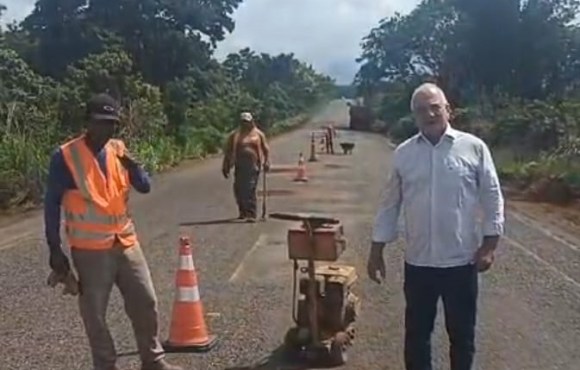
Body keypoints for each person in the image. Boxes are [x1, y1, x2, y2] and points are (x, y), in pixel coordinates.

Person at [367, 83, 505, 370]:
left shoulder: (474, 148)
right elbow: (389, 203)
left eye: (435, 107)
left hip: (461, 263)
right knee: (417, 336)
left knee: (462, 336)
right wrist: (376, 249)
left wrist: (490, 245)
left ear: (448, 110)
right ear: (414, 116)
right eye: (421, 110)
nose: (429, 114)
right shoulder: (404, 154)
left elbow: (492, 195)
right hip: (419, 265)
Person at [44, 93, 182, 370]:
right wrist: (55, 250)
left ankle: (153, 360)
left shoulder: (118, 150)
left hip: (126, 242)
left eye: (112, 124)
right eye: (101, 122)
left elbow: (144, 186)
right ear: (88, 122)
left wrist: (133, 164)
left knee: (146, 302)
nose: (107, 129)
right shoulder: (65, 156)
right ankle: (106, 365)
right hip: (91, 250)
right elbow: (51, 204)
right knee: (95, 315)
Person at [222, 112, 270, 222]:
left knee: (249, 189)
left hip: (253, 166)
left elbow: (266, 149)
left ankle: (251, 213)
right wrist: (226, 166)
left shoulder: (258, 134)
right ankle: (243, 212)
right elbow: (228, 152)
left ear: (251, 122)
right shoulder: (235, 135)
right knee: (238, 190)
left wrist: (266, 162)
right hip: (239, 166)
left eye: (247, 122)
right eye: (243, 122)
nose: (245, 124)